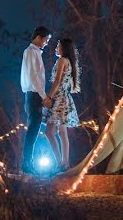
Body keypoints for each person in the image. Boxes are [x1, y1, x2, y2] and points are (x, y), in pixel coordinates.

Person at [42, 37, 81, 171]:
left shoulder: (61, 60)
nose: (55, 48)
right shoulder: (70, 62)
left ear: (63, 48)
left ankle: (60, 163)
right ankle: (65, 163)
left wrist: (49, 97)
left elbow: (57, 81)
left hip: (58, 98)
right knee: (62, 132)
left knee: (49, 131)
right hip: (66, 98)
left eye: (58, 46)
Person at [20, 26, 51, 173]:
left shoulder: (34, 52)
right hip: (34, 95)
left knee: (33, 128)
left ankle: (27, 163)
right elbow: (34, 76)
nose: (46, 43)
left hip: (33, 95)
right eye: (46, 39)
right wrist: (43, 97)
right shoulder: (31, 52)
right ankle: (27, 164)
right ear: (39, 37)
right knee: (33, 129)